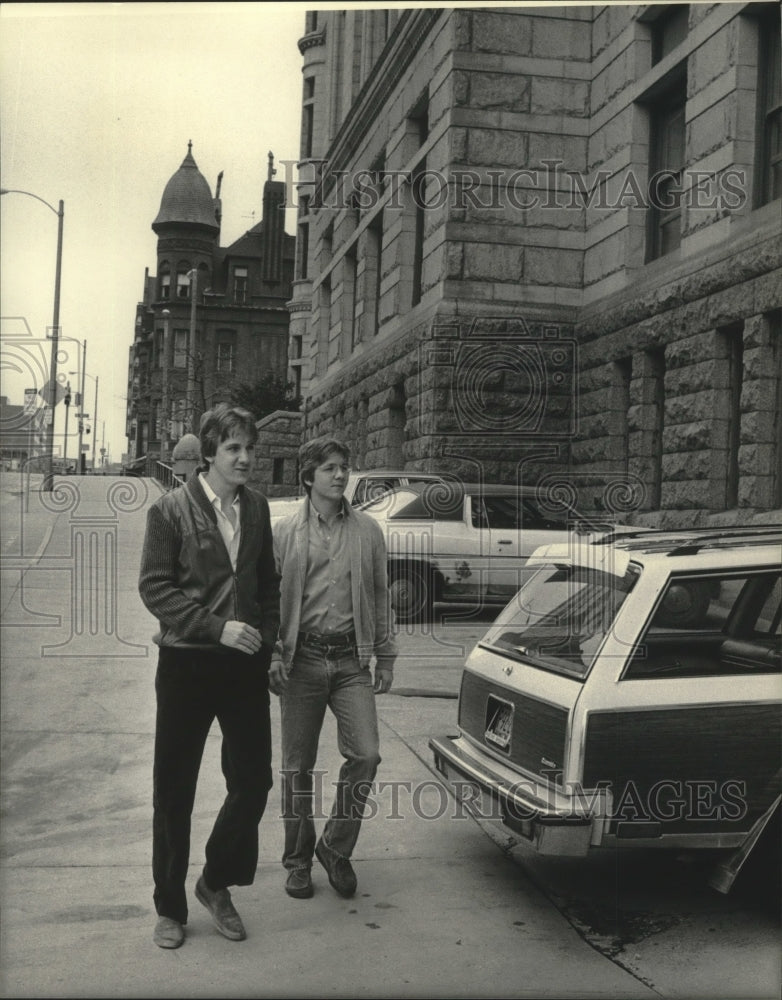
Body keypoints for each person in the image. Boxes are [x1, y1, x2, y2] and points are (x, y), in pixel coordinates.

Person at [138, 404, 280, 949]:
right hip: (187, 663)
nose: (246, 458)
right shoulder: (171, 510)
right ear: (210, 453)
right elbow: (155, 588)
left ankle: (215, 883)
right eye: (234, 449)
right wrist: (214, 627)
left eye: (250, 449)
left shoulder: (259, 509)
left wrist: (264, 640)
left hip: (243, 665)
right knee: (174, 789)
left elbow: (268, 583)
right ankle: (170, 907)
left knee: (253, 782)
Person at [270, 436, 397, 901]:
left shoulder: (367, 531)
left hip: (350, 660)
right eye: (329, 468)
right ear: (308, 477)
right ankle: (298, 860)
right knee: (297, 766)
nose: (340, 475)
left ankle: (334, 848)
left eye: (344, 467)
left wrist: (385, 652)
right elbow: (269, 601)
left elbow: (381, 593)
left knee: (366, 754)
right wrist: (273, 655)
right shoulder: (284, 532)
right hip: (301, 658)